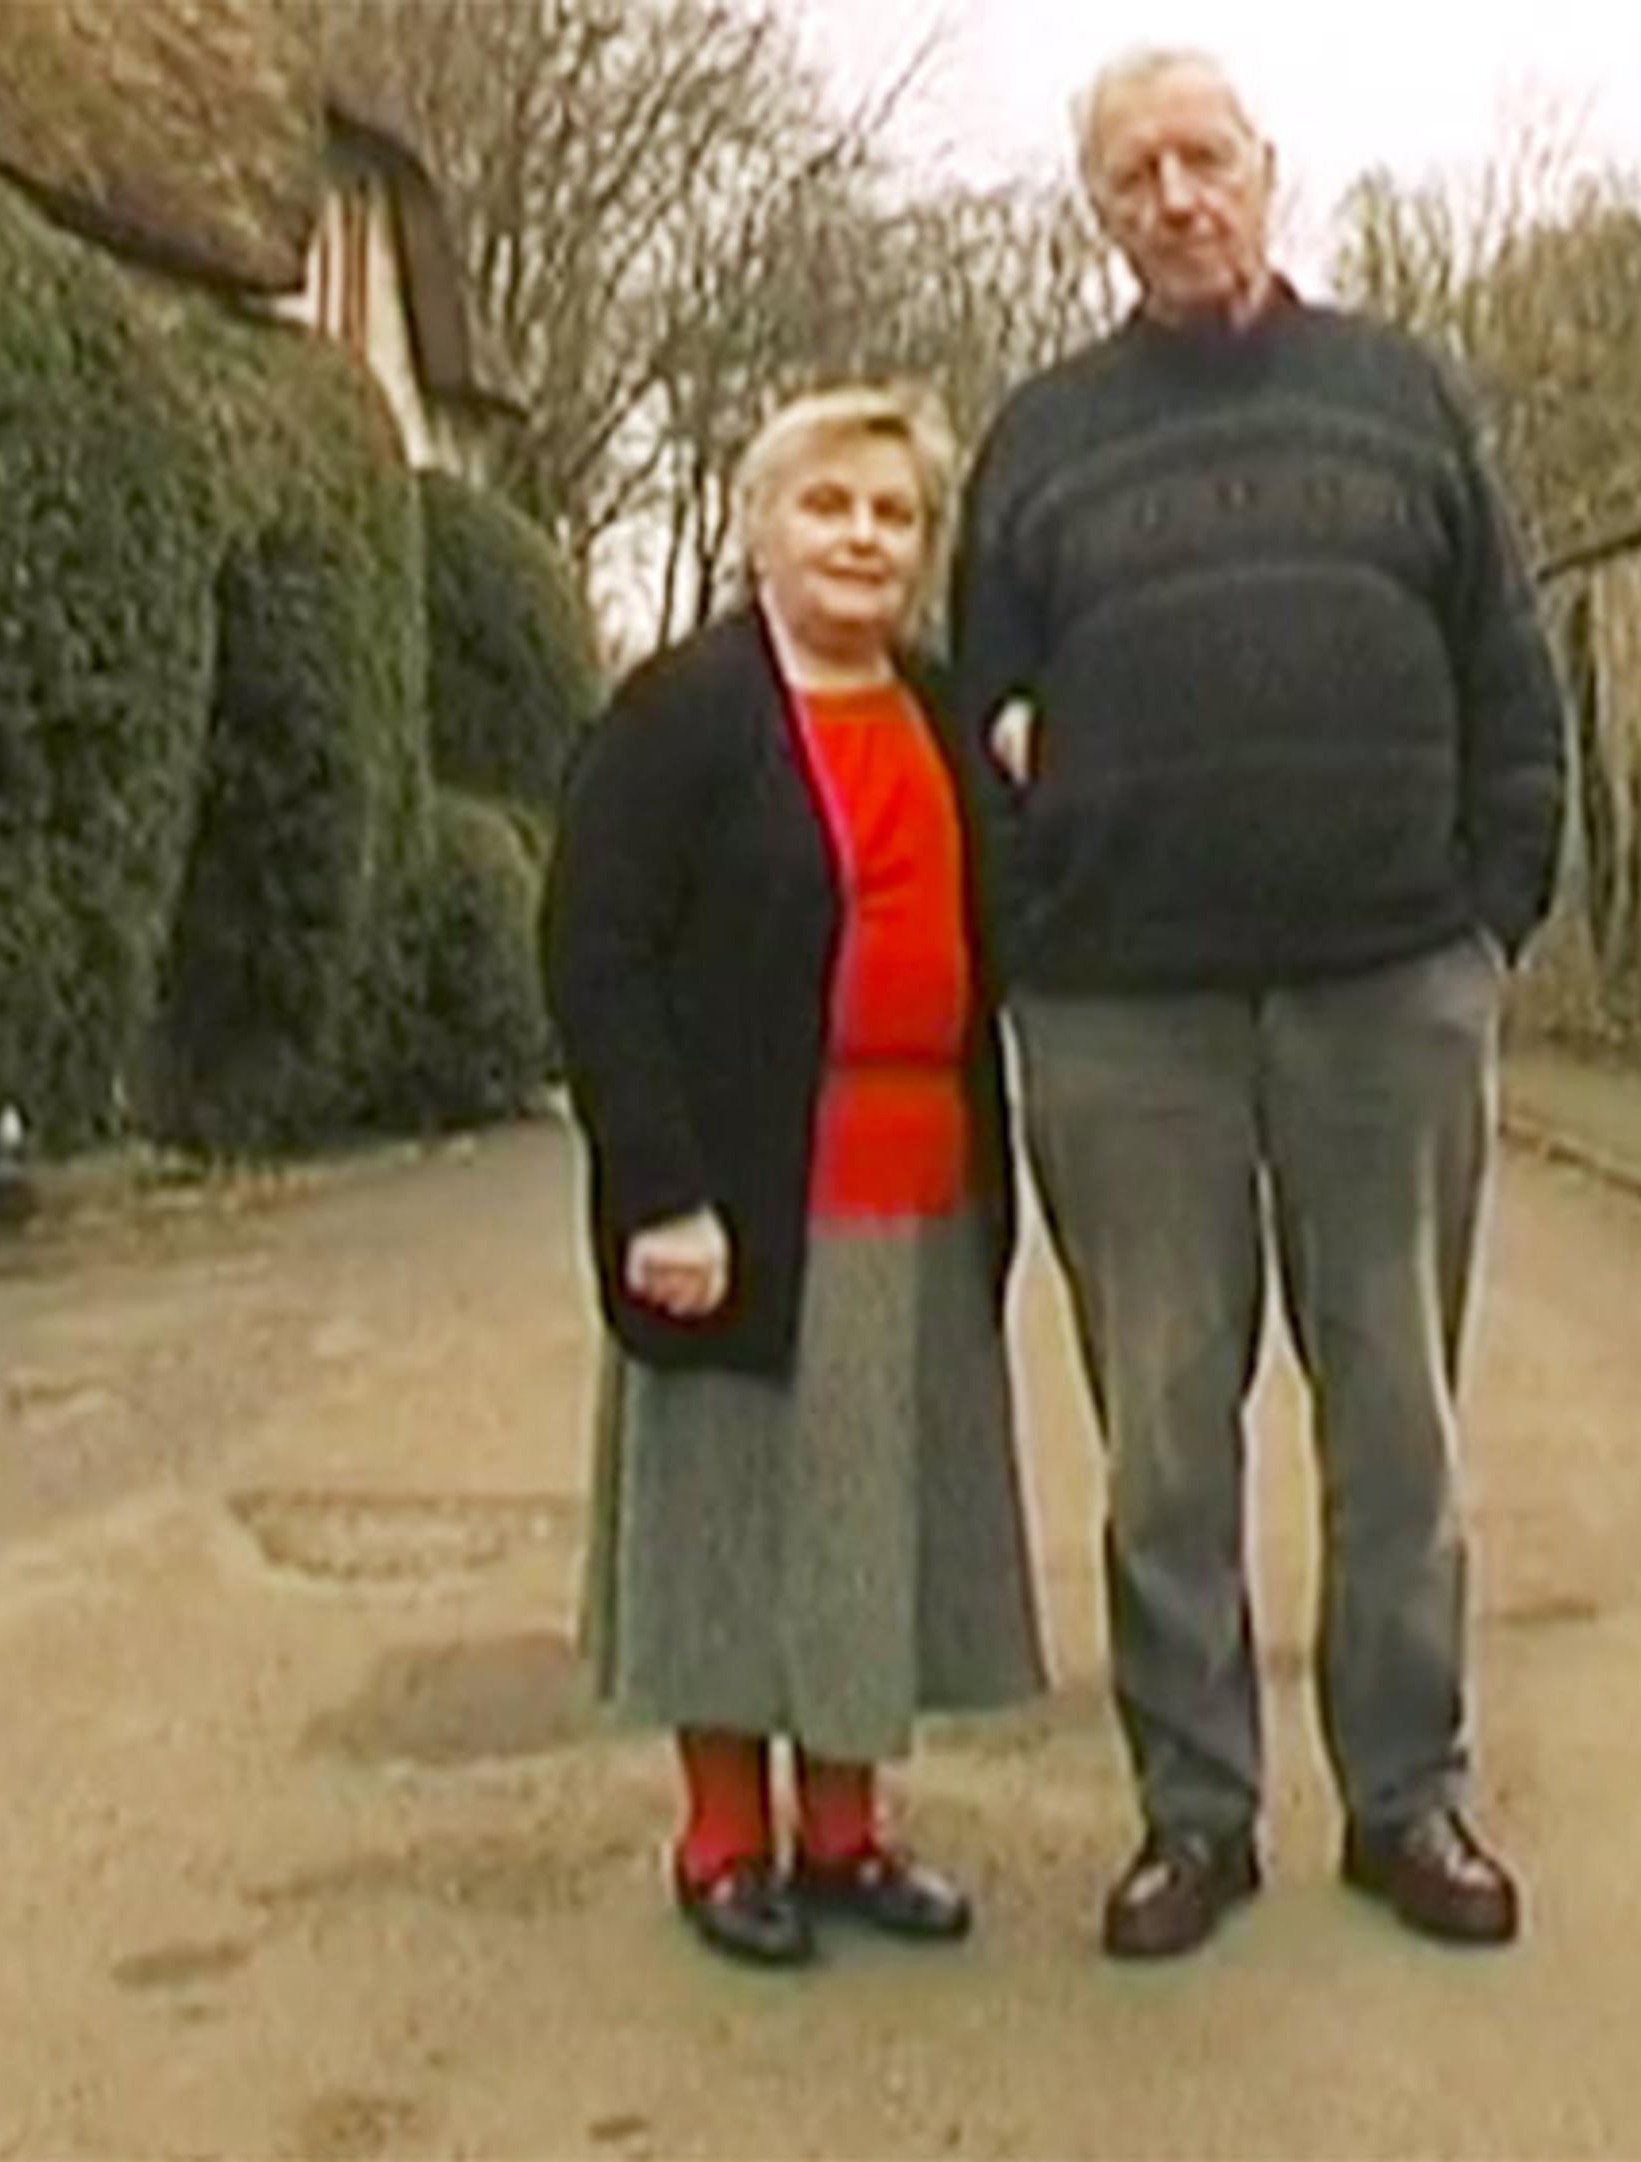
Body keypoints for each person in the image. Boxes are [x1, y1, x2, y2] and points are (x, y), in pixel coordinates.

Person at [948, 48, 1568, 1960]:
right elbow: (983, 721)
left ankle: (1408, 1797)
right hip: (1130, 1025)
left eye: (1203, 158)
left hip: (1389, 991)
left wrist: (1487, 926)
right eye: (1134, 174)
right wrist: (1039, 928)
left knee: (1395, 1416)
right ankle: (1193, 1814)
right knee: (1160, 1434)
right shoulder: (1039, 442)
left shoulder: (1402, 393)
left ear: (1268, 171)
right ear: (1101, 213)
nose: (1176, 196)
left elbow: (1510, 676)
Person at [544, 384, 1044, 1970]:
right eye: (831, 506)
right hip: (747, 1187)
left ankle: (844, 1829)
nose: (864, 539)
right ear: (764, 524)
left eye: (894, 515)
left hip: (917, 1185)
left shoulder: (945, 713)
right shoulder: (683, 711)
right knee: (728, 1516)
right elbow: (597, 949)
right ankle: (721, 1839)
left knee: (865, 1516)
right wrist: (659, 1191)